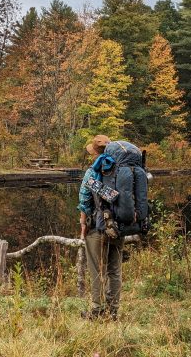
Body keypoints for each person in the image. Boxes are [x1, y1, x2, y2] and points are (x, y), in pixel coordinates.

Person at [77, 134, 124, 320]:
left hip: (98, 227)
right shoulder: (121, 171)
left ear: (95, 153)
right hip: (118, 227)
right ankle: (113, 311)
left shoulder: (92, 172)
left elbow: (84, 201)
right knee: (115, 269)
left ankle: (96, 311)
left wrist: (83, 226)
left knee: (97, 269)